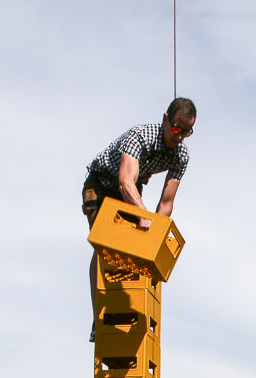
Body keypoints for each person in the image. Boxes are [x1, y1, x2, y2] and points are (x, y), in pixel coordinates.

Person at [83, 98, 196, 340]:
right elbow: (125, 180)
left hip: (131, 193)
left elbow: (166, 203)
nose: (180, 138)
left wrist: (153, 230)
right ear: (165, 119)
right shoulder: (140, 136)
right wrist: (143, 217)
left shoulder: (181, 155)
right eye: (177, 129)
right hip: (102, 186)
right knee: (106, 245)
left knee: (133, 250)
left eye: (187, 132)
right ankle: (98, 319)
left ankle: (124, 312)